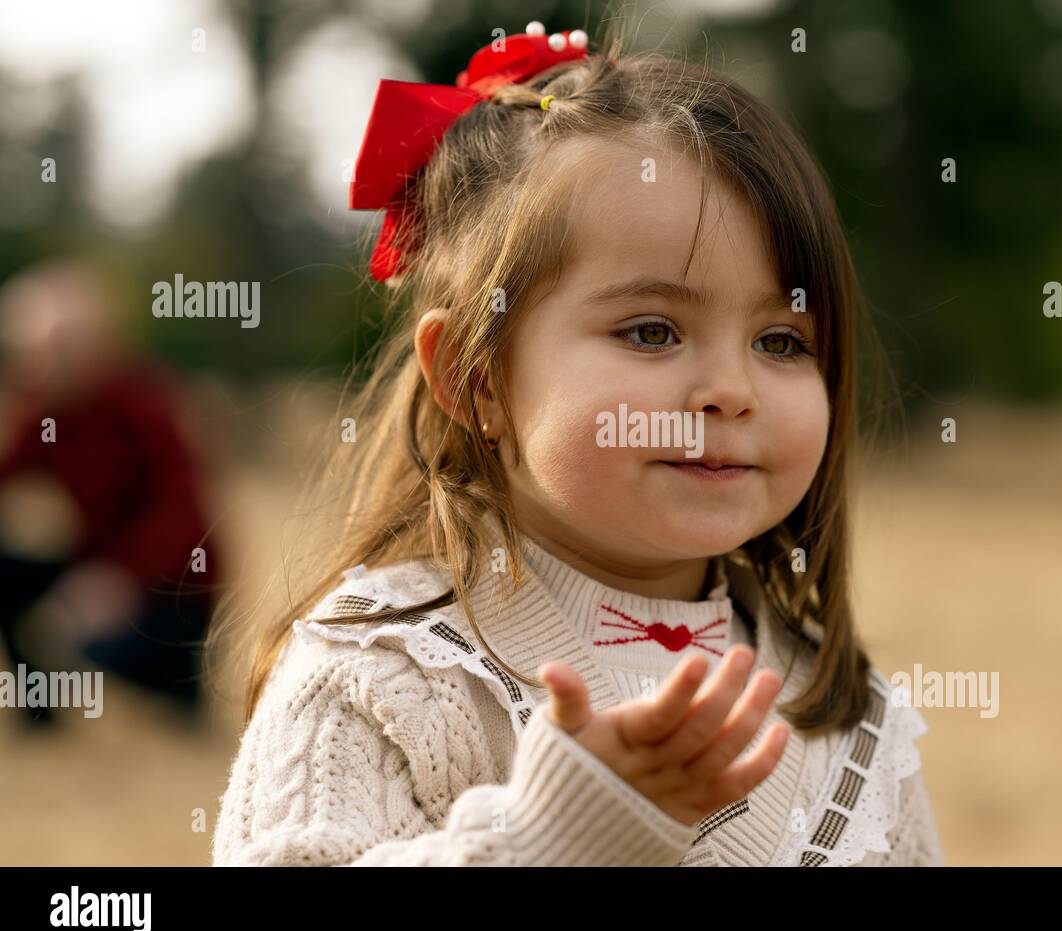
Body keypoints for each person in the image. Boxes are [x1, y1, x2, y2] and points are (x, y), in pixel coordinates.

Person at [211, 18, 942, 866]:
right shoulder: (383, 676)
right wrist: (553, 840)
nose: (732, 392)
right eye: (652, 331)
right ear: (477, 379)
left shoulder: (845, 714)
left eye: (781, 341)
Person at [0, 259, 222, 727]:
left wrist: (122, 577)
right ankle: (40, 713)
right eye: (32, 355)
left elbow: (183, 515)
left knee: (112, 651)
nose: (41, 368)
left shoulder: (143, 404)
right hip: (95, 565)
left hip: (172, 588)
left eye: (56, 353)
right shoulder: (46, 411)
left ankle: (178, 689)